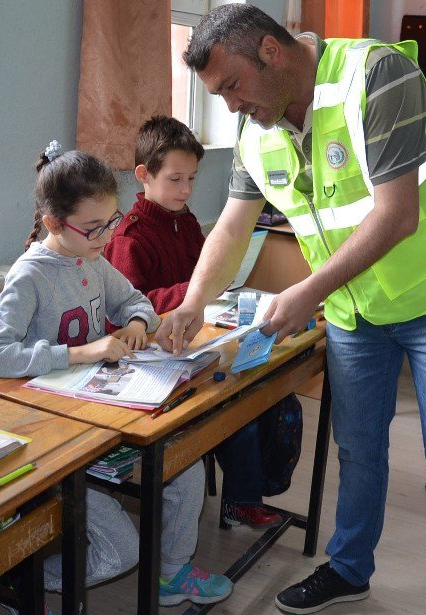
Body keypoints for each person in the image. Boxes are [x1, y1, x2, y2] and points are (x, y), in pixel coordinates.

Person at [157, 6, 426, 615]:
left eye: (232, 86)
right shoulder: (258, 130)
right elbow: (232, 228)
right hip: (355, 312)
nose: (230, 107)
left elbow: (397, 216)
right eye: (218, 94)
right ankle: (349, 569)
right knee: (358, 452)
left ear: (272, 52)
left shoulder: (379, 74)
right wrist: (195, 302)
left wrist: (304, 292)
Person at [0, 142, 232, 615]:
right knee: (122, 552)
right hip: (54, 442)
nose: (107, 236)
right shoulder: (29, 275)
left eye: (113, 222)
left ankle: (173, 574)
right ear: (53, 223)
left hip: (103, 422)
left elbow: (133, 298)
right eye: (95, 228)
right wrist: (79, 354)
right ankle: (21, 584)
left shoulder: (92, 258)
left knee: (185, 468)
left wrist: (138, 319)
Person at [104, 115, 291, 529]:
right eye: (175, 179)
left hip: (195, 343)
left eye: (191, 178)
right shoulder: (128, 239)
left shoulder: (185, 221)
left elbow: (209, 275)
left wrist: (212, 291)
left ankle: (244, 496)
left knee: (269, 398)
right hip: (152, 360)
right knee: (233, 412)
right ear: (143, 175)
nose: (186, 190)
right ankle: (240, 503)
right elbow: (130, 308)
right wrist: (193, 295)